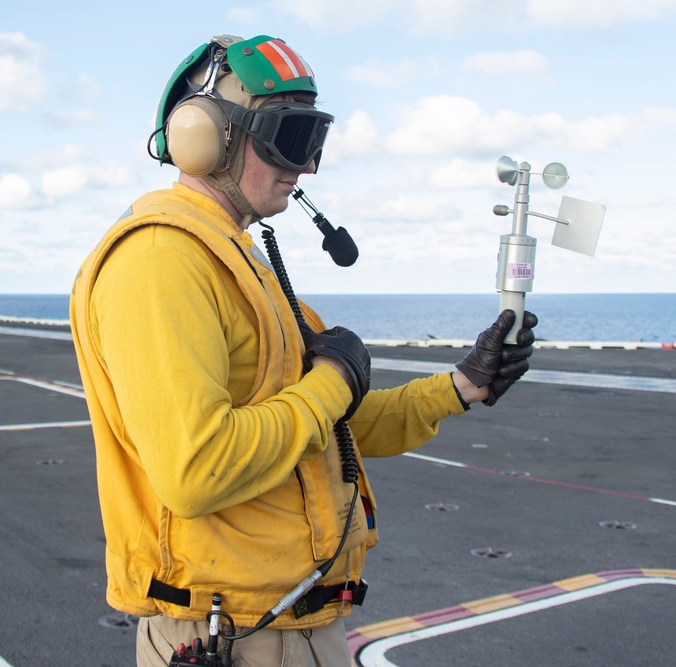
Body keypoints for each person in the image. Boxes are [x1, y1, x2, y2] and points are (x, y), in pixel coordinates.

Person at [69, 34, 537, 667]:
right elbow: (198, 468)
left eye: (315, 140)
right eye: (289, 138)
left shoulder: (237, 262)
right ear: (206, 137)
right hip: (228, 639)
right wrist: (334, 379)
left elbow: (326, 429)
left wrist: (460, 386)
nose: (307, 165)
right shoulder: (161, 261)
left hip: (288, 626)